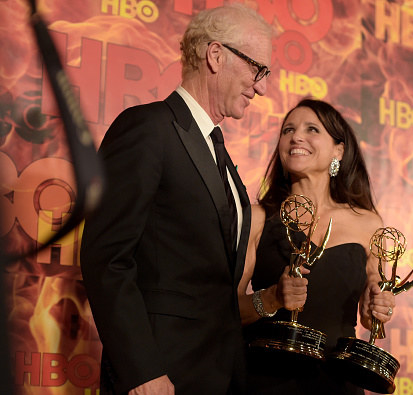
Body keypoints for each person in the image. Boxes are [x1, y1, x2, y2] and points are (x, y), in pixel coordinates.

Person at [80, 4, 273, 394]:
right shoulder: (148, 128)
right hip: (161, 375)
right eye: (258, 68)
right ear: (215, 56)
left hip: (218, 375)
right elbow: (107, 259)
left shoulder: (218, 151)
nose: (262, 86)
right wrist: (142, 371)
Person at [238, 99, 396, 394]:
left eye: (312, 129)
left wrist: (378, 307)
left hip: (336, 384)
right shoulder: (258, 218)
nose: (296, 137)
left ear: (339, 149)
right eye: (288, 130)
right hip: (266, 380)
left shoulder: (368, 223)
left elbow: (368, 310)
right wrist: (272, 298)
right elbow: (227, 312)